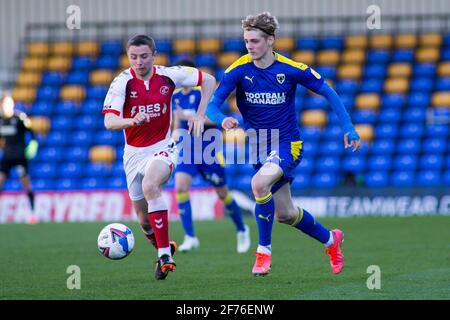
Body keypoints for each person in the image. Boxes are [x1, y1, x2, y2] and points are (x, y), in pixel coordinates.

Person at [206, 12, 361, 276]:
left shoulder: (291, 69)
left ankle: (263, 254)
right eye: (246, 41)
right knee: (285, 214)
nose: (249, 46)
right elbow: (211, 106)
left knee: (258, 184)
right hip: (258, 146)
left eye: (255, 41)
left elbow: (328, 91)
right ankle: (332, 240)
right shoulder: (238, 70)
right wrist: (222, 120)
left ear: (270, 40)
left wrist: (348, 126)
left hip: (288, 143)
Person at [102, 35, 216, 280]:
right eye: (133, 57)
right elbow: (109, 121)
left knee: (151, 184)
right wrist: (130, 120)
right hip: (133, 154)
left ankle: (165, 256)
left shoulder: (168, 75)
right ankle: (164, 246)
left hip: (163, 147)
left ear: (154, 55)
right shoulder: (122, 82)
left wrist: (199, 113)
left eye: (144, 56)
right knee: (144, 222)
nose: (139, 62)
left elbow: (208, 79)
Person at [171, 60, 250, 253]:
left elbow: (214, 118)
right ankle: (190, 236)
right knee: (180, 186)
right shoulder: (175, 97)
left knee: (222, 193)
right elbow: (175, 120)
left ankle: (242, 229)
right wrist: (174, 135)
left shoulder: (203, 93)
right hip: (187, 151)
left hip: (209, 150)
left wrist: (190, 115)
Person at [0, 94, 38, 214]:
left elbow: (32, 134)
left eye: (9, 103)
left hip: (20, 156)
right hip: (7, 156)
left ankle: (33, 211)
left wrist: (32, 147)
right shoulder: (1, 121)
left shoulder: (20, 118)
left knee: (25, 183)